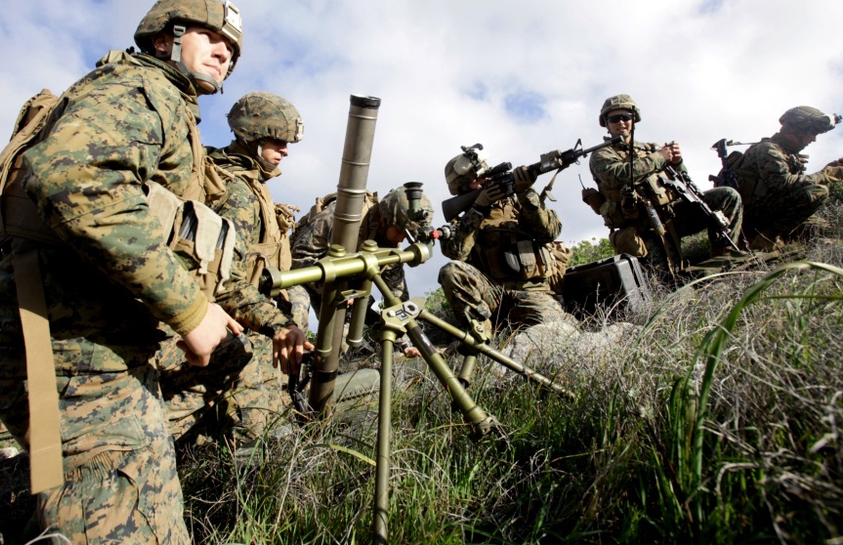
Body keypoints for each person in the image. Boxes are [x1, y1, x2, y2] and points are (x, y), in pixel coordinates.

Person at [0, 0, 245, 544]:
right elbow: (74, 181)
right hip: (74, 356)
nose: (224, 51)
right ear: (166, 38)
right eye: (210, 36)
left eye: (231, 47)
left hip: (89, 351)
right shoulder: (141, 88)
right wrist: (190, 310)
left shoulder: (168, 106)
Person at [157, 91, 312, 446]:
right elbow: (226, 282)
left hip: (199, 315)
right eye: (278, 140)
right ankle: (255, 454)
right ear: (253, 137)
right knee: (255, 353)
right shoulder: (238, 192)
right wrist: (279, 326)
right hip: (195, 324)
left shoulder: (243, 181)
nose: (286, 150)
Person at [588, 94, 743, 277]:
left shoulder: (650, 149)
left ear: (634, 120)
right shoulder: (601, 155)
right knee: (668, 280)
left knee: (727, 196)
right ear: (606, 123)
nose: (621, 122)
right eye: (614, 119)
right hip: (644, 227)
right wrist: (661, 157)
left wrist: (677, 162)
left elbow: (682, 178)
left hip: (676, 214)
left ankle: (724, 257)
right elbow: (618, 176)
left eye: (626, 117)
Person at [437, 145, 575, 344]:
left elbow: (550, 232)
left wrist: (525, 192)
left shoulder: (518, 203)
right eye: (479, 179)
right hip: (493, 296)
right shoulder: (462, 220)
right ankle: (482, 337)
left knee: (555, 335)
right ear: (464, 188)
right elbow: (457, 253)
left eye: (487, 175)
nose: (487, 180)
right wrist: (478, 208)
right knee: (451, 271)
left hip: (533, 292)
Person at [290, 185, 433, 357]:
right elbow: (298, 259)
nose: (401, 238)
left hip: (344, 289)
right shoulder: (340, 216)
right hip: (301, 276)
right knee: (295, 320)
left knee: (339, 347)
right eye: (401, 230)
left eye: (408, 234)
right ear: (385, 219)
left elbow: (396, 295)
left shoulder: (390, 241)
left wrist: (405, 343)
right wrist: (337, 291)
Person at [733, 106, 843, 249]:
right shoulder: (768, 149)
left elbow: (796, 186)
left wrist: (826, 170)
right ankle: (765, 239)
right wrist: (826, 175)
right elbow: (783, 184)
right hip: (750, 217)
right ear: (797, 129)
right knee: (818, 191)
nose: (813, 139)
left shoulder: (786, 153)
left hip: (766, 211)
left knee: (820, 228)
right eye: (812, 133)